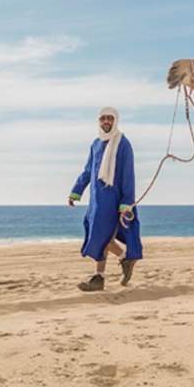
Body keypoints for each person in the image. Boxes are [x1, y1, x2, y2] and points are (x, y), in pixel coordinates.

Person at [68, 107, 143, 291]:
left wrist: (126, 202)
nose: (106, 121)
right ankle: (122, 260)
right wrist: (75, 192)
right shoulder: (95, 144)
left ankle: (101, 276)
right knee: (100, 237)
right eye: (103, 118)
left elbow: (128, 174)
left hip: (115, 200)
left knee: (102, 237)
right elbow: (88, 171)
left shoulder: (123, 143)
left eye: (110, 118)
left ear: (115, 120)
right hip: (96, 201)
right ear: (99, 121)